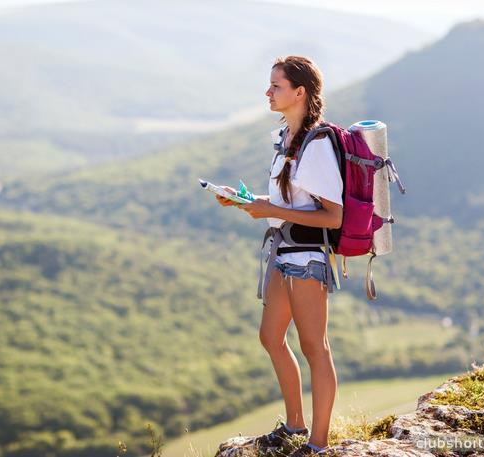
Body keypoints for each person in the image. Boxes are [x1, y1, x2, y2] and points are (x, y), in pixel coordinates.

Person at [216, 56, 342, 456]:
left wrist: (270, 210)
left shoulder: (317, 144)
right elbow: (291, 200)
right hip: (283, 247)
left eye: (276, 86)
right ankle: (294, 426)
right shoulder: (285, 138)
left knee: (314, 348)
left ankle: (318, 446)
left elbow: (332, 215)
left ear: (299, 92)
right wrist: (248, 202)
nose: (267, 92)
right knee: (270, 336)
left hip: (307, 256)